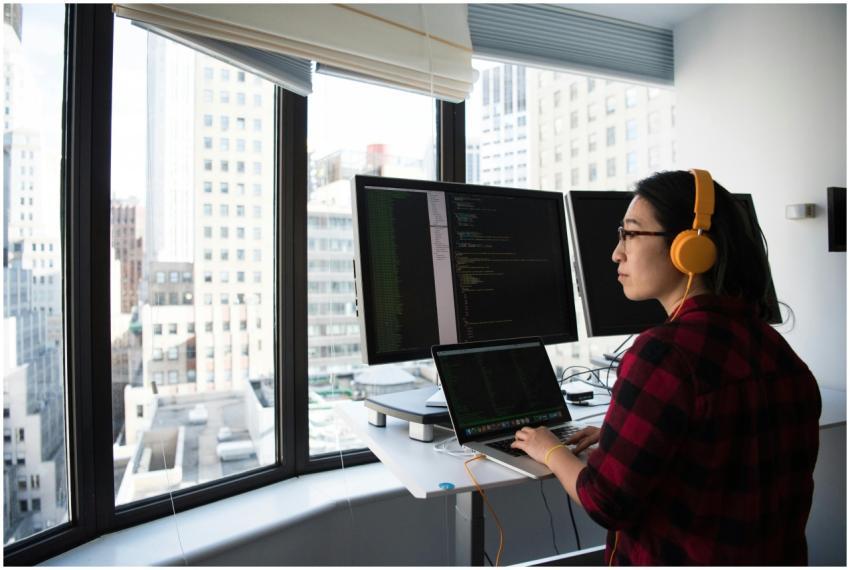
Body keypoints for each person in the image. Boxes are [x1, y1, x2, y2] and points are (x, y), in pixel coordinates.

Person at [510, 170, 821, 565]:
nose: (616, 252)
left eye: (631, 234)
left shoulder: (664, 354)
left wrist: (550, 448)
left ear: (689, 248)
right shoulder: (777, 350)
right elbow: (723, 443)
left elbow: (606, 502)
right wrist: (623, 436)